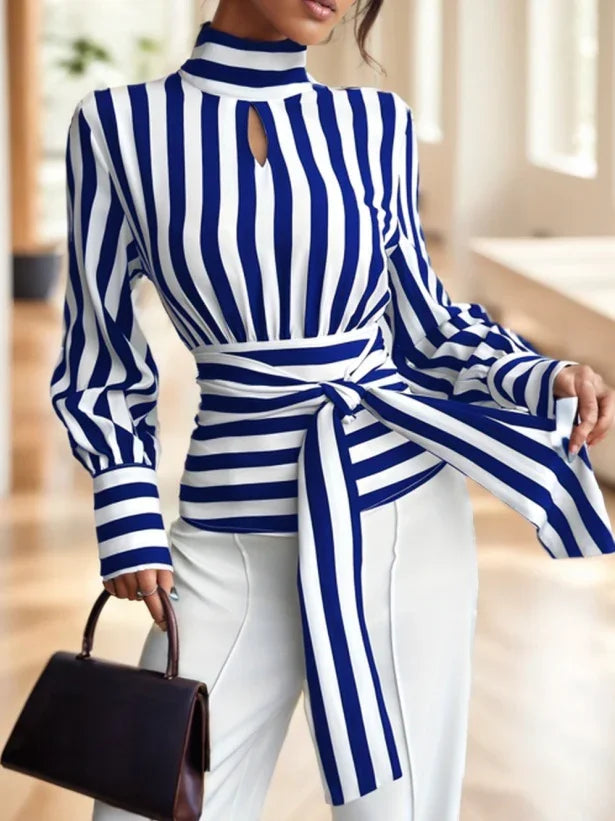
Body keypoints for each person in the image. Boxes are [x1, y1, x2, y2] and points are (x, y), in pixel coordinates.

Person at [49, 1, 615, 819]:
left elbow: (424, 322)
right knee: (146, 804)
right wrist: (126, 510)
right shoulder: (117, 127)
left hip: (399, 523)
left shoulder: (377, 124)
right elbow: (98, 350)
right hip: (224, 543)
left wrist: (539, 374)